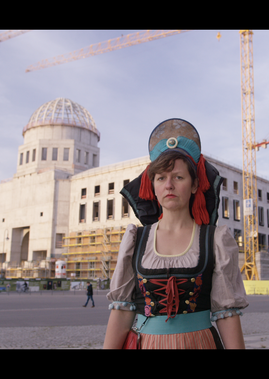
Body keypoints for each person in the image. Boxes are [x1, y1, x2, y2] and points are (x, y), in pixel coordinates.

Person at [103, 118, 248, 349]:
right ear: (153, 186)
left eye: (178, 177)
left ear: (193, 185)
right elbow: (121, 312)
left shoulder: (215, 239)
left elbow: (227, 313)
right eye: (161, 178)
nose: (169, 185)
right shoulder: (135, 239)